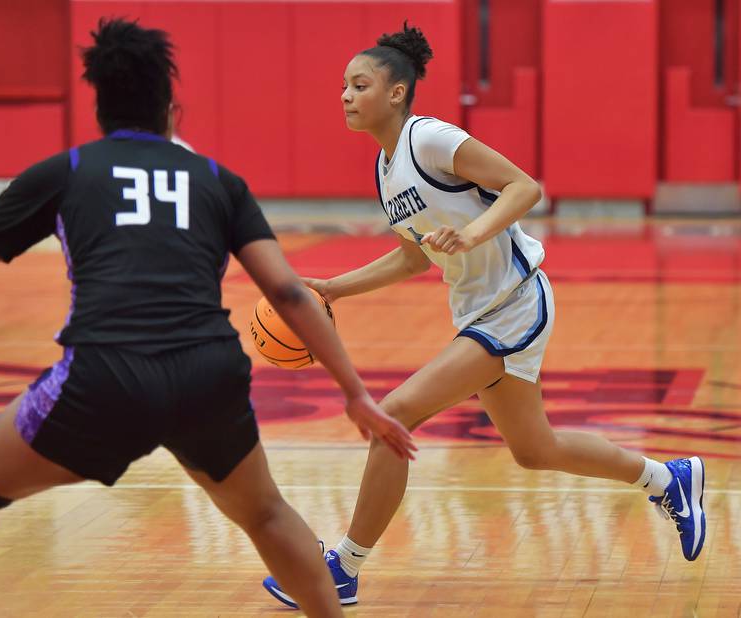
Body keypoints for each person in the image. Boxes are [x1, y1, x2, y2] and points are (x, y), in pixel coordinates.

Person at [0, 18, 416, 616]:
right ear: (173, 111)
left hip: (103, 376)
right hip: (205, 376)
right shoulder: (217, 180)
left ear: (100, 107)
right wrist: (355, 393)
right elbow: (292, 295)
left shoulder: (65, 171)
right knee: (267, 515)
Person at [262, 21, 706, 609]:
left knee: (394, 415)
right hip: (482, 310)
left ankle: (342, 568)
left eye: (359, 84)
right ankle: (667, 480)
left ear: (396, 92)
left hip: (515, 300)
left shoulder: (431, 140)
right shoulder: (386, 167)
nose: (345, 95)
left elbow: (525, 187)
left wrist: (470, 234)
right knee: (535, 449)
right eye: (342, 86)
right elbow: (412, 257)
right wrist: (333, 290)